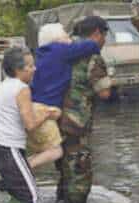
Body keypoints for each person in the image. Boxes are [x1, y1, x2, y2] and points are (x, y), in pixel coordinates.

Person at [0, 47, 60, 203]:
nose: (34, 69)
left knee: (24, 192)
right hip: (6, 149)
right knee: (30, 198)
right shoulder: (21, 89)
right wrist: (48, 114)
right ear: (18, 70)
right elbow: (30, 124)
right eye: (30, 66)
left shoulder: (5, 85)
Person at [56, 16, 112, 203]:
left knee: (64, 168)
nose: (105, 40)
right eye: (105, 35)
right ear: (97, 33)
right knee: (80, 172)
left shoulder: (62, 51)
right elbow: (104, 92)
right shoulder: (93, 57)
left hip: (54, 120)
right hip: (76, 124)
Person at [27, 23, 101, 169]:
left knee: (43, 150)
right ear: (57, 39)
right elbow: (92, 45)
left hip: (34, 108)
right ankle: (23, 168)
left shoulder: (41, 54)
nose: (69, 38)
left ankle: (22, 168)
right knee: (56, 151)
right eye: (65, 35)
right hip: (46, 111)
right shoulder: (59, 51)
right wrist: (71, 43)